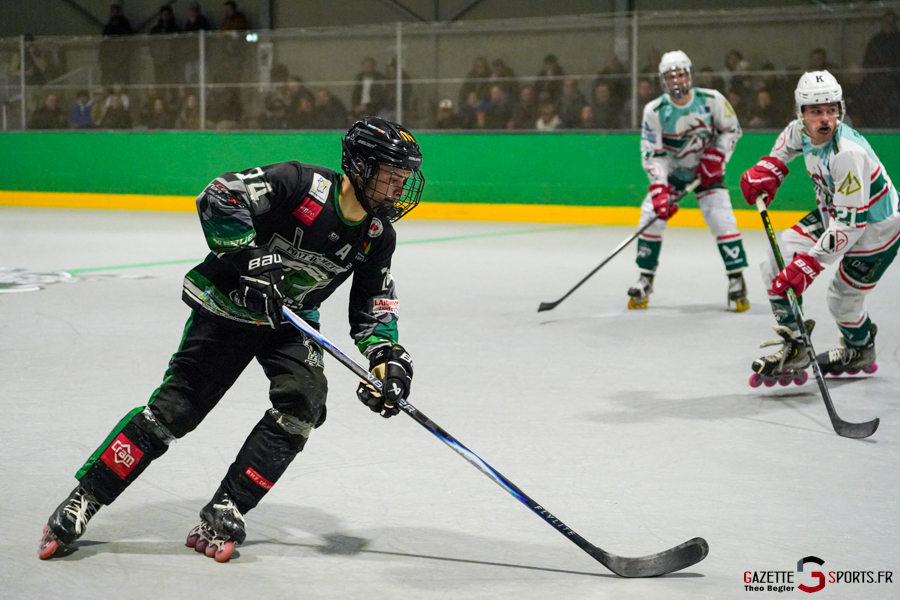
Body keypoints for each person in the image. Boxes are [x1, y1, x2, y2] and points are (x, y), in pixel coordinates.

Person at [38, 116, 426, 563]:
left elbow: (374, 305)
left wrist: (387, 359)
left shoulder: (377, 235)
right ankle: (85, 497)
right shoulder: (302, 184)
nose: (399, 190)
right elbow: (221, 194)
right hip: (229, 306)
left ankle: (228, 505)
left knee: (305, 400)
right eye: (391, 178)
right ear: (359, 166)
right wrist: (249, 257)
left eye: (404, 180)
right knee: (174, 412)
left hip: (289, 319)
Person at [739, 71, 900, 383]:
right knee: (777, 264)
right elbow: (779, 157)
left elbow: (852, 226)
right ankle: (796, 345)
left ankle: (860, 347)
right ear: (801, 114)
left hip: (876, 230)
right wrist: (767, 173)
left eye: (831, 110)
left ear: (839, 109)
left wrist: (809, 265)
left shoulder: (848, 153)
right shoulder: (797, 131)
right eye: (815, 112)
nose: (825, 119)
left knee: (841, 299)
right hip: (836, 213)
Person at [628, 50, 749, 311]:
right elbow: (652, 152)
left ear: (689, 76)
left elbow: (732, 129)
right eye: (671, 77)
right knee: (650, 214)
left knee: (721, 218)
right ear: (663, 81)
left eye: (681, 75)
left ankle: (736, 279)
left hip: (708, 171)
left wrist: (717, 157)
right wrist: (660, 190)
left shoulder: (713, 100)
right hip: (672, 174)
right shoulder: (655, 111)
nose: (677, 82)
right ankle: (645, 279)